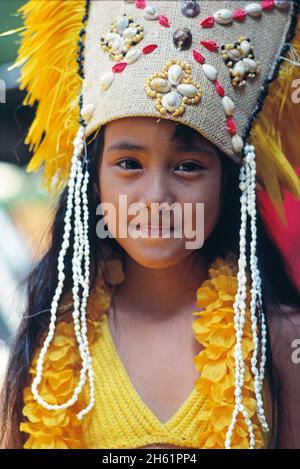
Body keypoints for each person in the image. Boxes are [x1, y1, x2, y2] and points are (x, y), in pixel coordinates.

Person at [1, 0, 300, 449]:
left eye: (187, 166)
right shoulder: (49, 343)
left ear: (227, 183)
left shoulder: (281, 339)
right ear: (93, 179)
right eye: (128, 163)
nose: (156, 198)